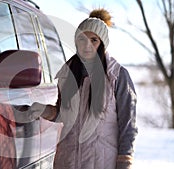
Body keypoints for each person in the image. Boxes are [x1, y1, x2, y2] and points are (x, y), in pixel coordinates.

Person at [53, 8, 138, 169]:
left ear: (102, 44)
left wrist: (125, 161)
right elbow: (61, 114)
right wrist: (39, 111)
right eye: (82, 39)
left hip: (101, 162)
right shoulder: (67, 74)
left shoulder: (117, 75)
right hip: (67, 161)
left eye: (94, 40)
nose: (87, 45)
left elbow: (128, 124)